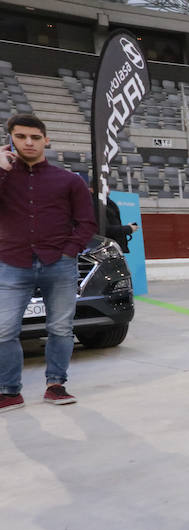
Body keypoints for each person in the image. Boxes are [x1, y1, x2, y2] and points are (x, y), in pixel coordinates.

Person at [0, 113, 97, 410]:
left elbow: (86, 222)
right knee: (3, 330)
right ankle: (9, 391)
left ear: (46, 140)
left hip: (59, 263)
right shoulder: (3, 176)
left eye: (35, 137)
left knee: (61, 327)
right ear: (10, 140)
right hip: (12, 262)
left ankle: (56, 384)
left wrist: (69, 251)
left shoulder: (69, 180)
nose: (28, 142)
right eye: (21, 137)